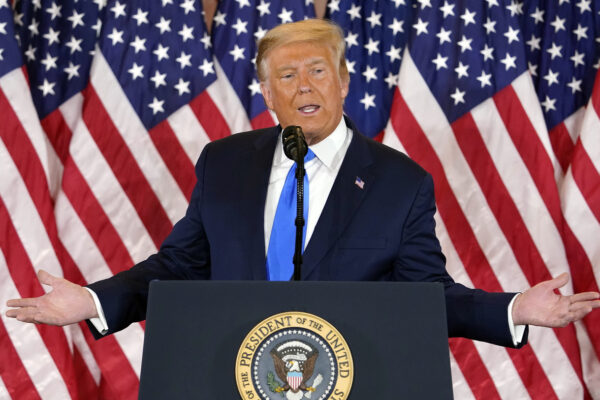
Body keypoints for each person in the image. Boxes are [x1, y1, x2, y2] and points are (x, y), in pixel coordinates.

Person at [6, 19, 599, 346]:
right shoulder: (224, 163)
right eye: (286, 75)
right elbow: (179, 268)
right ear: (267, 94)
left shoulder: (400, 181)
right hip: (229, 374)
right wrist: (90, 301)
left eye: (318, 70)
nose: (304, 86)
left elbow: (426, 298)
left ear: (344, 82)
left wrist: (517, 308)